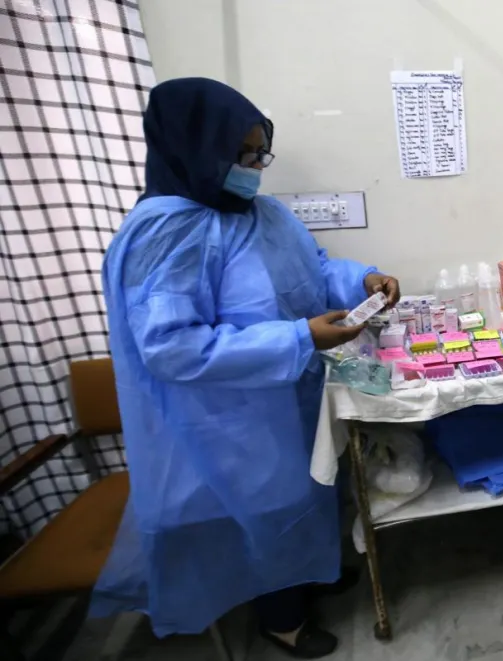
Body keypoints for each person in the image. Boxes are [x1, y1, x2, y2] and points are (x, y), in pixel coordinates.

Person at [93, 77, 400, 659]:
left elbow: (314, 267)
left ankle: (312, 574)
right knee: (266, 511)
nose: (257, 166)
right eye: (245, 154)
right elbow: (171, 347)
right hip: (228, 416)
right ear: (195, 148)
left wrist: (362, 279)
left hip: (289, 395)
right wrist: (299, 335)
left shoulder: (261, 213)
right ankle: (281, 619)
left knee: (309, 490)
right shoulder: (165, 232)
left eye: (263, 152)